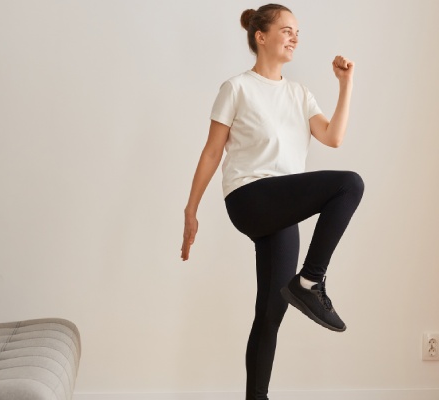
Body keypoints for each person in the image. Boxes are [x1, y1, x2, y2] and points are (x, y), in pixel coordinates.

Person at [180, 4, 364, 399]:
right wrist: (191, 210)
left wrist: (345, 84)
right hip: (250, 196)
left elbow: (332, 137)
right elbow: (212, 152)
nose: (295, 36)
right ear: (260, 36)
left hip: (283, 204)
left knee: (270, 314)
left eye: (298, 31)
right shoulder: (237, 88)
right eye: (286, 29)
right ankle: (311, 281)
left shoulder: (299, 94)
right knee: (349, 184)